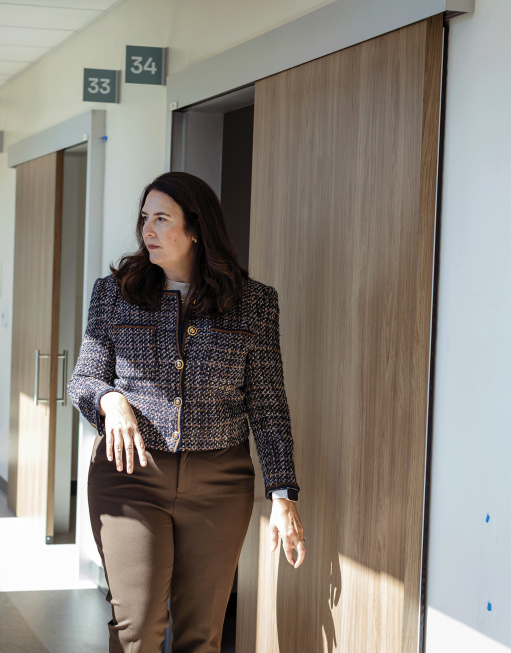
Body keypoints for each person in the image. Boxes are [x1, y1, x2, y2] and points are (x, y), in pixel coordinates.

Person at [68, 172, 305, 652]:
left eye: (161, 219)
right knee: (137, 629)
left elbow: (268, 402)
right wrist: (110, 400)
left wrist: (283, 494)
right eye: (144, 219)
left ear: (196, 228)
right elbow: (84, 379)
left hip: (221, 484)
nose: (147, 231)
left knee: (202, 634)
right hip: (131, 476)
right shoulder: (113, 293)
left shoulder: (253, 304)